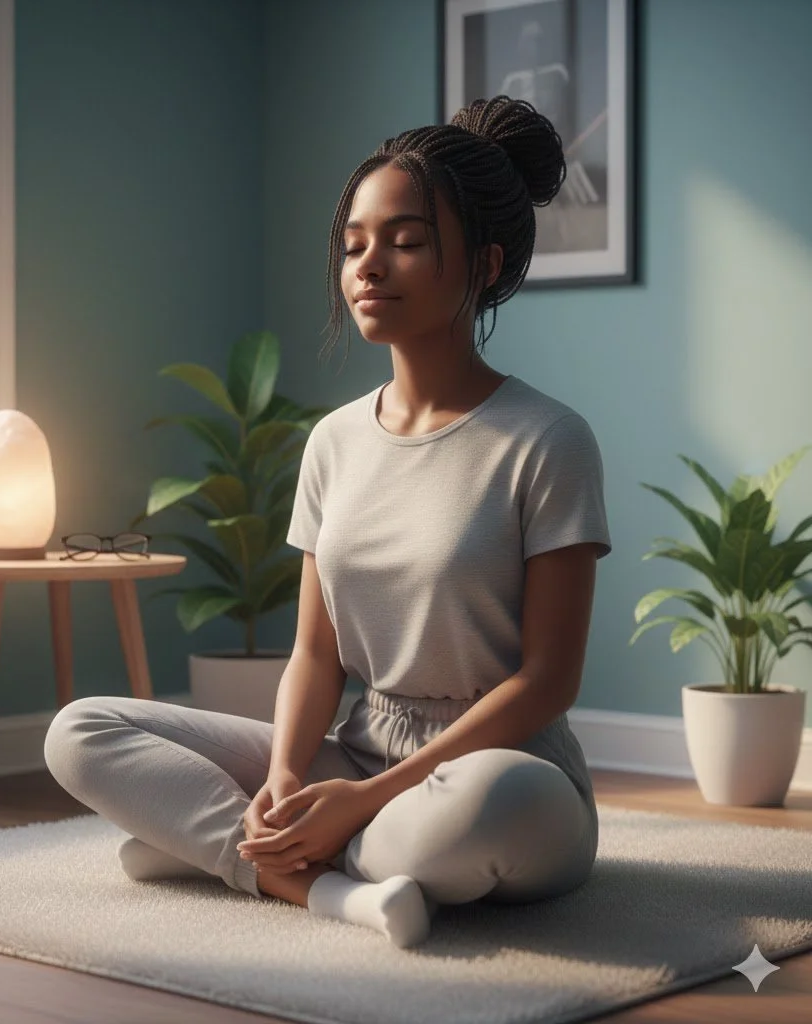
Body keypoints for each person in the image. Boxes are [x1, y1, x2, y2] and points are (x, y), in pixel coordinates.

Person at [44, 94, 612, 950]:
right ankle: (303, 873)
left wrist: (366, 799)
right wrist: (281, 777)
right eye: (353, 246)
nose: (368, 266)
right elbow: (315, 653)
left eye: (407, 242)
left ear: (486, 265)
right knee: (80, 731)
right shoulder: (335, 441)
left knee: (487, 810)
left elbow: (547, 682)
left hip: (500, 771)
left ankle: (222, 850)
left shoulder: (549, 440)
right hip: (357, 745)